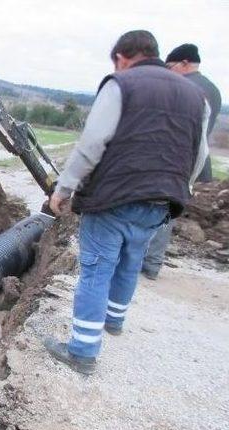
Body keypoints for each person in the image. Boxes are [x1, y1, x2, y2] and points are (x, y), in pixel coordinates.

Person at [44, 30, 210, 375]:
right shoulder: (197, 98)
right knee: (131, 260)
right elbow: (199, 155)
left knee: (97, 268)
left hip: (115, 197)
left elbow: (92, 143)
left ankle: (82, 352)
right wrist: (182, 188)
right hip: (162, 201)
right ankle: (114, 322)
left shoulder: (122, 84)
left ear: (121, 57)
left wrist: (63, 189)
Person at [142, 43, 223, 279]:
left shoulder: (185, 88)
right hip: (191, 162)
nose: (169, 72)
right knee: (167, 209)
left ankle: (146, 262)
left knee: (155, 208)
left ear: (185, 63)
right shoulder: (213, 89)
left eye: (171, 67)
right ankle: (151, 262)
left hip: (172, 160)